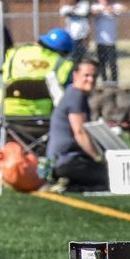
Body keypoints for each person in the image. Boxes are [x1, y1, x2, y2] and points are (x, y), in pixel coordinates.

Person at [45, 58, 109, 192]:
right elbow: (80, 133)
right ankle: (69, 182)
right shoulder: (76, 96)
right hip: (67, 161)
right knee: (109, 176)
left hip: (60, 161)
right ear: (75, 75)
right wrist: (98, 158)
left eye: (94, 76)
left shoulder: (72, 93)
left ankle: (68, 182)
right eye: (86, 75)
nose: (91, 80)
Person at [0, 28, 74, 118]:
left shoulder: (14, 53)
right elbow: (67, 97)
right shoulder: (63, 64)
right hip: (40, 115)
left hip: (3, 112)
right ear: (64, 52)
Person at [90, 0, 127, 84]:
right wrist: (104, 9)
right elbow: (92, 11)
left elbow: (125, 9)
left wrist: (112, 10)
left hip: (111, 41)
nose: (105, 0)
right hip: (100, 41)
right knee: (101, 63)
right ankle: (104, 81)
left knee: (112, 63)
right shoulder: (96, 6)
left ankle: (114, 81)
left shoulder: (115, 6)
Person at [59, 0, 92, 65]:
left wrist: (72, 12)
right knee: (70, 57)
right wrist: (73, 10)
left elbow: (83, 12)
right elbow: (62, 11)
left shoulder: (84, 5)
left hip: (80, 37)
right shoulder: (68, 7)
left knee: (80, 58)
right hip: (70, 36)